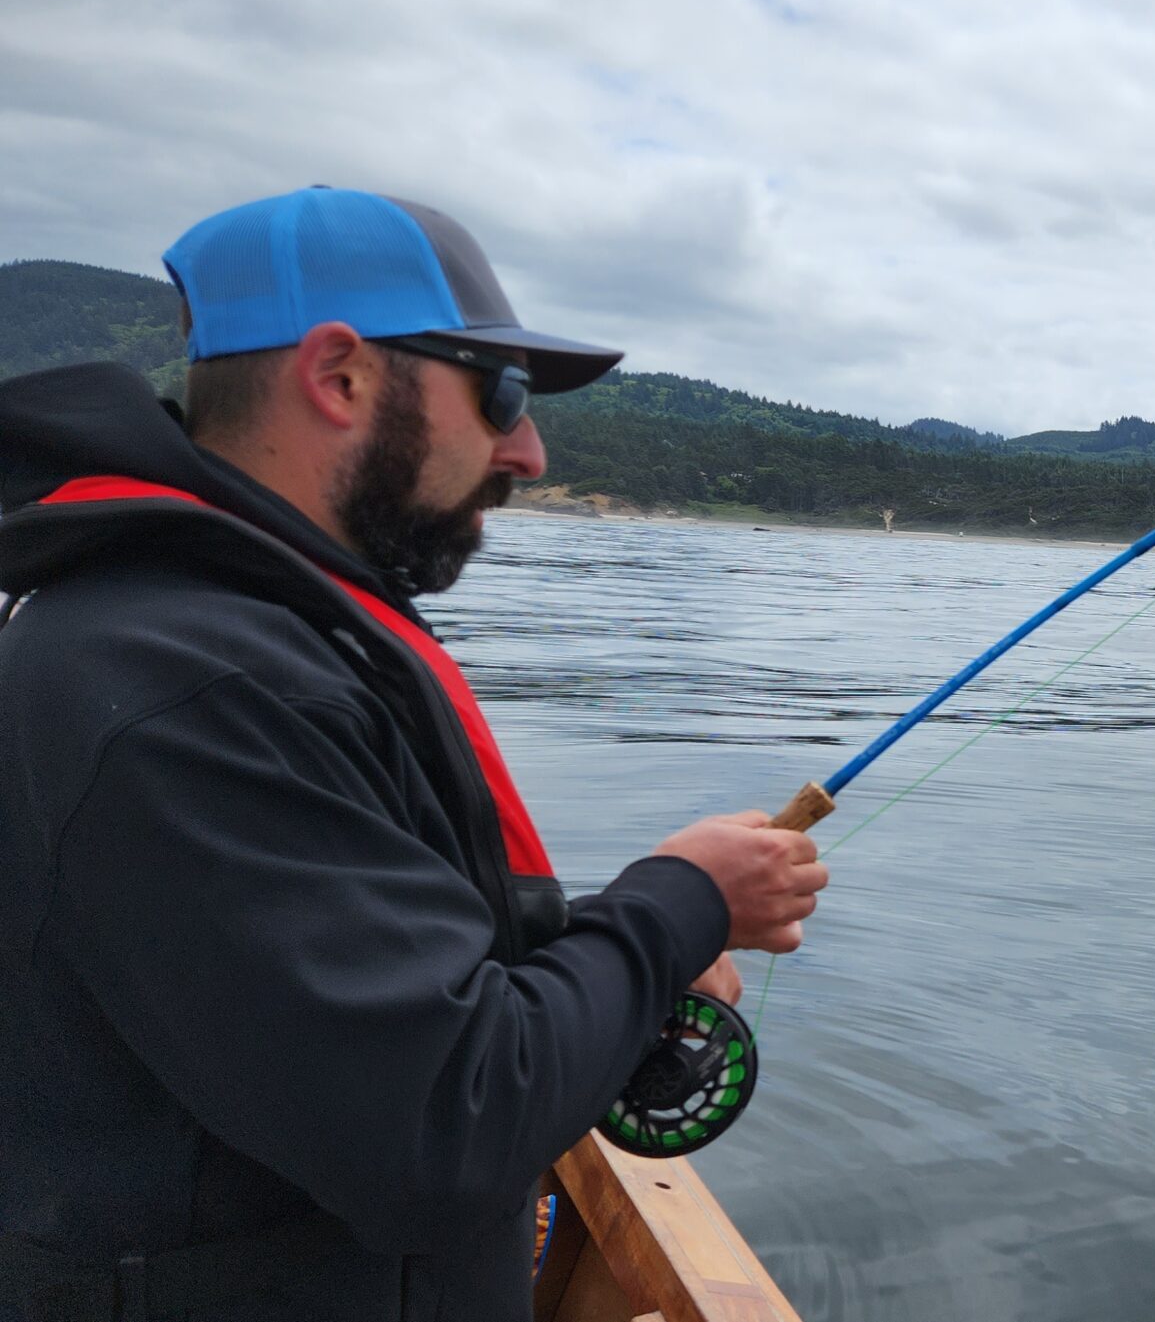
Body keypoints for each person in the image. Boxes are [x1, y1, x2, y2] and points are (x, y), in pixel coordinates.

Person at [0, 187, 830, 1320]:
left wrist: (627, 950)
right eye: (501, 395)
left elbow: (368, 986)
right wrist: (677, 906)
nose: (529, 451)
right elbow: (443, 1125)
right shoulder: (188, 682)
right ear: (340, 376)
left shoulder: (214, 637)